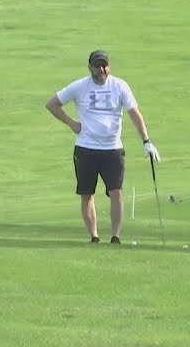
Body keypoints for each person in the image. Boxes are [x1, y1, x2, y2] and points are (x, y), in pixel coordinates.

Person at [45, 50, 159, 244]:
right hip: (85, 148)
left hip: (112, 149)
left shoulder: (120, 86)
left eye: (104, 65)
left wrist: (146, 141)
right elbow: (52, 104)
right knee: (86, 193)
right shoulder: (80, 86)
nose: (102, 69)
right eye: (97, 66)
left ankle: (115, 236)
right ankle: (94, 237)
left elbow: (134, 113)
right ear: (90, 68)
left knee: (116, 192)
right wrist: (71, 123)